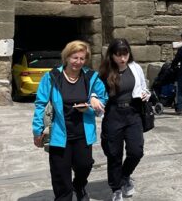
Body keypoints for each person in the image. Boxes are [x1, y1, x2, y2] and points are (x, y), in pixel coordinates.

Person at [32, 40, 107, 201]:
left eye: (82, 58)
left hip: (83, 133)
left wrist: (92, 102)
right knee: (60, 174)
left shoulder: (91, 77)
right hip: (60, 134)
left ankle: (79, 186)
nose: (78, 62)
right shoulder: (52, 77)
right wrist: (37, 130)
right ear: (66, 57)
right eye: (75, 58)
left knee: (84, 166)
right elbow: (40, 104)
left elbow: (104, 98)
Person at [98, 39, 150, 201]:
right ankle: (116, 188)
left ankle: (125, 175)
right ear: (112, 55)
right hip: (113, 114)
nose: (122, 58)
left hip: (133, 113)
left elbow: (143, 87)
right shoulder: (105, 72)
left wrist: (145, 94)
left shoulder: (135, 68)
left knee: (136, 151)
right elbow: (97, 93)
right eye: (118, 55)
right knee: (114, 154)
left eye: (125, 54)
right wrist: (94, 100)